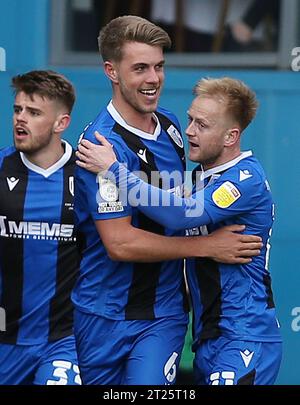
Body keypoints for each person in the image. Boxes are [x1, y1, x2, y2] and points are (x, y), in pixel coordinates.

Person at [73, 16, 262, 385]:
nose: (153, 79)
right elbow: (120, 243)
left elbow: (182, 202)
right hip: (102, 314)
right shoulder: (100, 146)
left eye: (159, 66)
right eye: (140, 68)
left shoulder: (174, 128)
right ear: (111, 71)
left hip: (163, 315)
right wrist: (206, 246)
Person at [0, 70, 81, 385]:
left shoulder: (88, 177)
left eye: (33, 113)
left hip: (63, 340)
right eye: (18, 110)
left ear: (61, 123)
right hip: (6, 339)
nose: (21, 119)